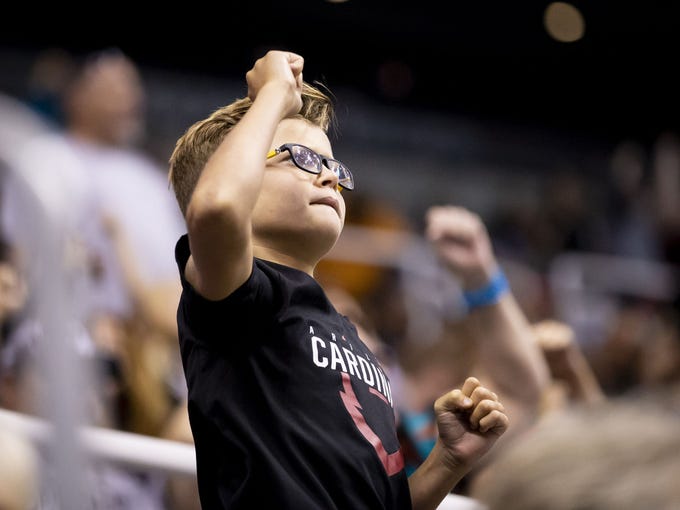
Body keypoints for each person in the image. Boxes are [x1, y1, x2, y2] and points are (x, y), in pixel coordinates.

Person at [168, 49, 509, 509]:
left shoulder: (350, 334)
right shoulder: (241, 296)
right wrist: (271, 95)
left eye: (333, 165)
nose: (329, 176)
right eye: (303, 158)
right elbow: (216, 209)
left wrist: (447, 463)